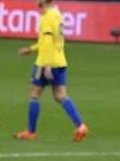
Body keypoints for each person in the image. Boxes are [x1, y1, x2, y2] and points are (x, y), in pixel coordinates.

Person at [14, 0, 88, 142]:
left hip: (45, 62)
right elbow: (50, 40)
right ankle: (80, 126)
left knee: (34, 94)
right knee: (60, 95)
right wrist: (31, 49)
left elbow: (47, 42)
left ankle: (30, 131)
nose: (38, 8)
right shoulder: (57, 14)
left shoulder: (46, 17)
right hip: (60, 61)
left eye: (38, 5)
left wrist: (46, 65)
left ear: (43, 3)